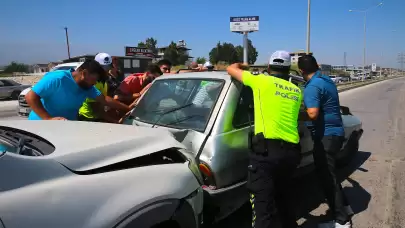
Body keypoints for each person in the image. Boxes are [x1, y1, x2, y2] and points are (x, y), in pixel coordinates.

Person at [227, 50, 303, 228]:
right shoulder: (296, 90)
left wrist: (245, 66)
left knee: (262, 208)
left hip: (267, 153)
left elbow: (231, 69)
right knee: (283, 198)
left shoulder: (260, 81)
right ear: (288, 69)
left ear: (268, 68)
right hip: (292, 153)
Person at [298, 54, 352, 228]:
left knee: (328, 179)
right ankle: (345, 208)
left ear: (301, 71)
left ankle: (341, 221)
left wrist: (293, 115)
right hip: (335, 133)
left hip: (325, 137)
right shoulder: (326, 80)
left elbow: (312, 114)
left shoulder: (312, 87)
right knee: (332, 175)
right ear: (317, 66)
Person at [26, 59, 134, 120]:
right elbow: (30, 96)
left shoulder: (87, 87)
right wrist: (48, 119)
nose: (95, 84)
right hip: (40, 126)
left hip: (65, 128)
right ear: (84, 73)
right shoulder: (58, 78)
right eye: (94, 80)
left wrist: (128, 109)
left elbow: (104, 99)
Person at [78, 53, 124, 122]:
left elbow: (103, 101)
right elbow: (95, 108)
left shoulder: (104, 81)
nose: (105, 70)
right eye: (103, 67)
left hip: (96, 116)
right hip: (87, 117)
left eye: (107, 67)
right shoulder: (92, 81)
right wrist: (115, 121)